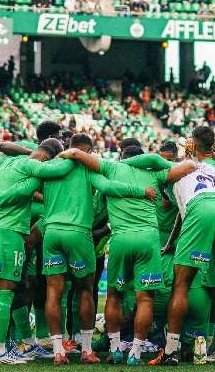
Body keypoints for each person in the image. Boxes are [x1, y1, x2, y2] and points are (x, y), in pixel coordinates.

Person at [60, 145, 196, 365]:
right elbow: (189, 166)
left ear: (123, 157)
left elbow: (75, 154)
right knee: (146, 299)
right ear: (141, 158)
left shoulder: (111, 168)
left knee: (114, 295)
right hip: (148, 242)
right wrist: (160, 162)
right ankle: (135, 354)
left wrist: (59, 156)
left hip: (120, 240)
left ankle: (115, 350)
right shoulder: (154, 173)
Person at [39, 134, 155, 365]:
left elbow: (29, 188)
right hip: (79, 232)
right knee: (85, 290)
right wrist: (142, 191)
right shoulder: (86, 168)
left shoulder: (49, 167)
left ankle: (58, 351)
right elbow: (109, 187)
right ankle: (87, 350)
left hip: (51, 233)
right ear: (88, 151)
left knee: (54, 291)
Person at [0, 138, 75, 364]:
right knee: (5, 292)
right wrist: (75, 156)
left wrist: (1, 196)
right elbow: (60, 169)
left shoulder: (6, 162)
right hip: (8, 233)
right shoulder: (32, 166)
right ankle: (0, 351)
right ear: (47, 157)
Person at [154, 126, 215, 365]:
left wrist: (168, 244)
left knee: (182, 283)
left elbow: (174, 207)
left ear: (191, 146)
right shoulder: (209, 166)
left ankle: (171, 350)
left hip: (200, 208)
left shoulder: (172, 171)